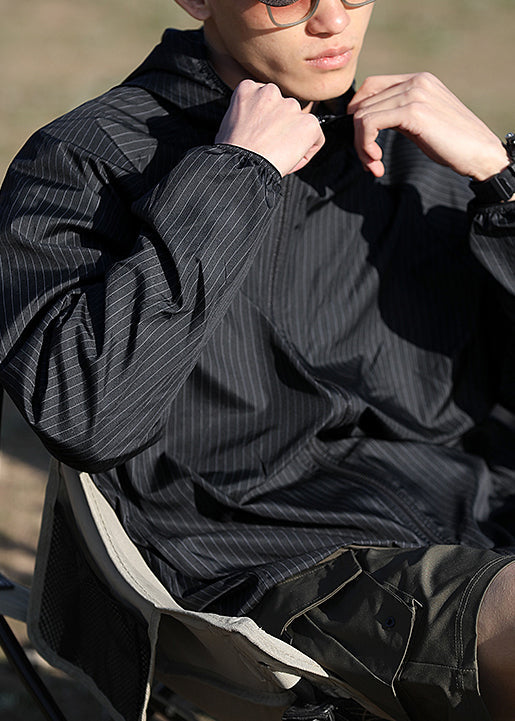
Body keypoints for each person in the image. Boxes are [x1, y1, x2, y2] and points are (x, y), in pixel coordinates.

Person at [0, 0, 514, 719]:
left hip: (479, 511)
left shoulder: (413, 146)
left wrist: (500, 180)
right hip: (276, 561)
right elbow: (86, 415)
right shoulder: (90, 160)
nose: (332, 20)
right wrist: (236, 174)